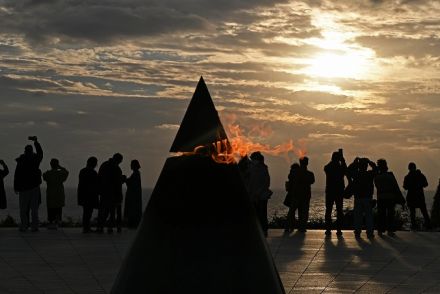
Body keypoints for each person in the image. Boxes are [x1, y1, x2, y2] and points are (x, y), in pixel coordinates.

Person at [14, 136, 43, 232]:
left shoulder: (21, 160)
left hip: (23, 188)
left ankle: (24, 225)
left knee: (23, 208)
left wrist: (16, 187)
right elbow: (40, 153)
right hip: (34, 187)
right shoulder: (35, 160)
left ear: (25, 151)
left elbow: (17, 174)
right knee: (34, 209)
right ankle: (34, 226)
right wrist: (36, 142)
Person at [374, 159, 405, 236]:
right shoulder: (390, 175)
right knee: (390, 214)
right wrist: (401, 198)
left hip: (381, 197)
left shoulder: (377, 176)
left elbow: (377, 186)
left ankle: (380, 230)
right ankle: (390, 230)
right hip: (390, 197)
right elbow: (395, 187)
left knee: (381, 214)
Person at [348, 157, 377, 239]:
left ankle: (357, 232)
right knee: (369, 216)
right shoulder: (369, 174)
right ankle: (370, 232)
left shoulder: (356, 174)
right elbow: (376, 169)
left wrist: (354, 163)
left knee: (358, 216)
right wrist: (370, 162)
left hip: (358, 197)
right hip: (367, 198)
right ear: (366, 166)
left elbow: (348, 170)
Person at [97, 153, 125, 233]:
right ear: (119, 160)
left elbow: (99, 178)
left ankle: (100, 227)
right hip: (113, 194)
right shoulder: (117, 168)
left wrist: (99, 190)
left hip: (103, 192)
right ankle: (110, 227)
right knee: (112, 211)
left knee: (103, 210)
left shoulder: (104, 165)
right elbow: (118, 183)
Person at [248, 151, 272, 237]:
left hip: (262, 196)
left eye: (252, 158)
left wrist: (258, 193)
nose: (252, 160)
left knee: (262, 214)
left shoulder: (263, 168)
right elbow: (250, 182)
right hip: (253, 196)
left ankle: (264, 230)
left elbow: (266, 183)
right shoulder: (250, 168)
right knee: (256, 215)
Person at [324, 150, 347, 236]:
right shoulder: (339, 167)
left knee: (329, 210)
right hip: (338, 191)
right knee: (339, 210)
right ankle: (338, 229)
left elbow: (327, 167)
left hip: (330, 191)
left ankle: (328, 229)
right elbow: (345, 171)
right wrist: (343, 161)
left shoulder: (328, 167)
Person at [403, 162, 432, 230]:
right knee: (424, 212)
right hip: (419, 196)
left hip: (411, 197)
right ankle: (428, 225)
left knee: (413, 213)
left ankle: (414, 226)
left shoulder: (407, 177)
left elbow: (405, 187)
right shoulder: (420, 175)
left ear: (409, 168)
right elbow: (426, 184)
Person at [43, 159, 69, 229]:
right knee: (58, 209)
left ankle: (51, 223)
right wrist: (60, 167)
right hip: (59, 194)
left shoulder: (47, 173)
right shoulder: (60, 173)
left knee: (51, 209)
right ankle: (57, 223)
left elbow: (44, 176)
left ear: (50, 164)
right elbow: (66, 172)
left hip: (51, 194)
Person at [291, 157, 315, 233]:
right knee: (303, 212)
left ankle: (292, 226)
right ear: (307, 163)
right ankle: (302, 227)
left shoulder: (295, 172)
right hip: (304, 195)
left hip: (298, 194)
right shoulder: (309, 174)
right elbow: (312, 181)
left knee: (294, 211)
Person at [78, 157, 100, 233]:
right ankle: (86, 227)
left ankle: (86, 227)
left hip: (83, 194)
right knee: (88, 212)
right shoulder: (93, 173)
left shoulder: (82, 171)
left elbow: (81, 184)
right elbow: (96, 185)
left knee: (86, 211)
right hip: (90, 195)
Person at [124, 160, 143, 228]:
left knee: (132, 210)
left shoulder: (136, 174)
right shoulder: (136, 173)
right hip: (134, 196)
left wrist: (125, 179)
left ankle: (132, 223)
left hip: (133, 196)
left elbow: (131, 184)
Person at [284, 163, 299, 233]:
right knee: (292, 212)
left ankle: (289, 226)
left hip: (292, 194)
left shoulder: (291, 174)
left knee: (291, 212)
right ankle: (290, 226)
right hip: (295, 195)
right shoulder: (296, 174)